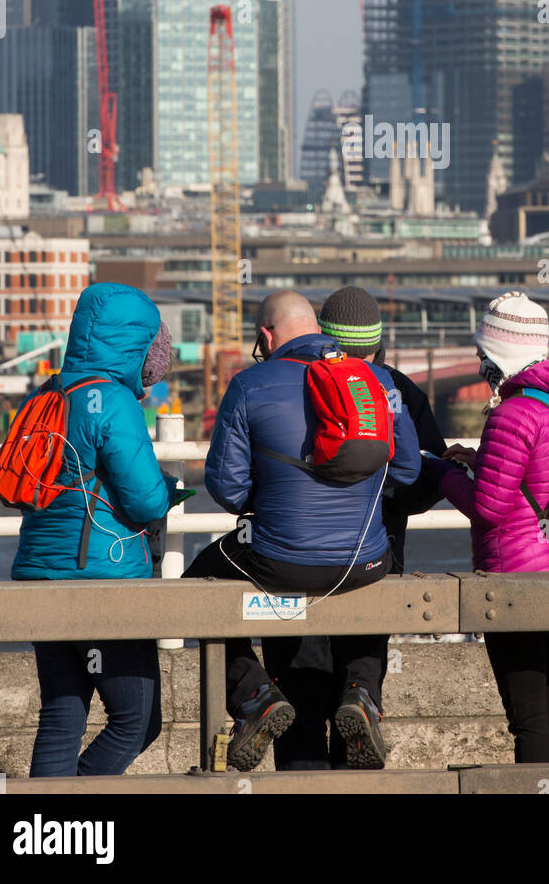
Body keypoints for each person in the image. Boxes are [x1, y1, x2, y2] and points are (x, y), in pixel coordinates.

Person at [183, 289, 421, 772]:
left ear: (266, 336)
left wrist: (275, 503)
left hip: (280, 562)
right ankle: (362, 694)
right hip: (365, 560)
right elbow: (407, 473)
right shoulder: (378, 382)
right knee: (383, 572)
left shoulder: (250, 384)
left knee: (192, 588)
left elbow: (227, 489)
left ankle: (254, 694)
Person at [13, 282, 178, 777]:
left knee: (62, 714)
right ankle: (76, 811)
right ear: (136, 349)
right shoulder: (115, 402)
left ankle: (46, 831)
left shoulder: (49, 393)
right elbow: (146, 499)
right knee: (137, 718)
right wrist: (169, 491)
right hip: (102, 583)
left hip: (41, 575)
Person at [424, 291, 549, 763]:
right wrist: (481, 461)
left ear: (500, 354)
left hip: (514, 581)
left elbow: (490, 508)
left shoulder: (511, 412)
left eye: (483, 353)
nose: (479, 363)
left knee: (528, 720)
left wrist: (445, 475)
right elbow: (538, 479)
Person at [319, 286, 447, 576]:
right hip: (381, 553)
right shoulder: (400, 389)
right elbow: (429, 479)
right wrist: (381, 494)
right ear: (378, 345)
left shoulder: (300, 383)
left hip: (302, 556)